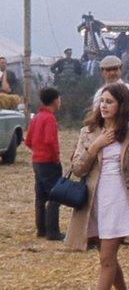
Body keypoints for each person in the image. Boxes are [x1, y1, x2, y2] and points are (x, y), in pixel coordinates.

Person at [66, 83, 129, 290]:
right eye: (102, 101)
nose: (104, 106)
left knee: (107, 259)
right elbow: (78, 169)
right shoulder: (88, 132)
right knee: (107, 258)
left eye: (110, 102)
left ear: (122, 105)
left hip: (119, 200)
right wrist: (97, 145)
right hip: (95, 200)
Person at [24, 86, 64, 241]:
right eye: (59, 99)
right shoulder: (49, 118)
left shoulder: (37, 117)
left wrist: (37, 151)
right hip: (49, 162)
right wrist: (56, 158)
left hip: (37, 162)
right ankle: (53, 231)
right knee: (55, 195)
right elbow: (50, 141)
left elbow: (28, 141)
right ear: (55, 100)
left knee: (40, 197)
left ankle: (41, 229)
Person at [92, 56, 129, 127]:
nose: (112, 73)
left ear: (120, 70)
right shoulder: (99, 94)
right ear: (102, 72)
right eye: (108, 70)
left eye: (115, 69)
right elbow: (96, 117)